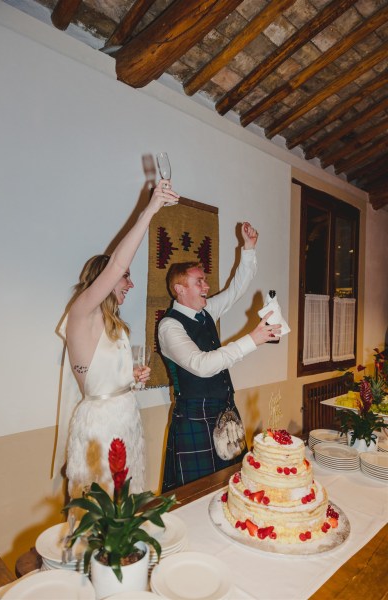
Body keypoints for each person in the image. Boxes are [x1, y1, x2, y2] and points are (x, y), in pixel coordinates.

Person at [53, 180, 179, 499]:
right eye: (126, 278)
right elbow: (118, 262)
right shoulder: (82, 311)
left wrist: (131, 378)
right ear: (104, 279)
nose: (130, 284)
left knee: (127, 501)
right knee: (98, 504)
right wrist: (150, 209)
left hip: (126, 417)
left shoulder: (115, 326)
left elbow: (101, 376)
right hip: (100, 425)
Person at [158, 222, 281, 491]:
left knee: (233, 484)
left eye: (204, 279)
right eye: (198, 281)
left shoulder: (205, 312)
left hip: (224, 409)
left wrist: (248, 249)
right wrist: (253, 339)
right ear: (180, 289)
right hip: (195, 417)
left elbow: (236, 290)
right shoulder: (169, 326)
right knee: (195, 492)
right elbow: (201, 365)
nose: (206, 285)